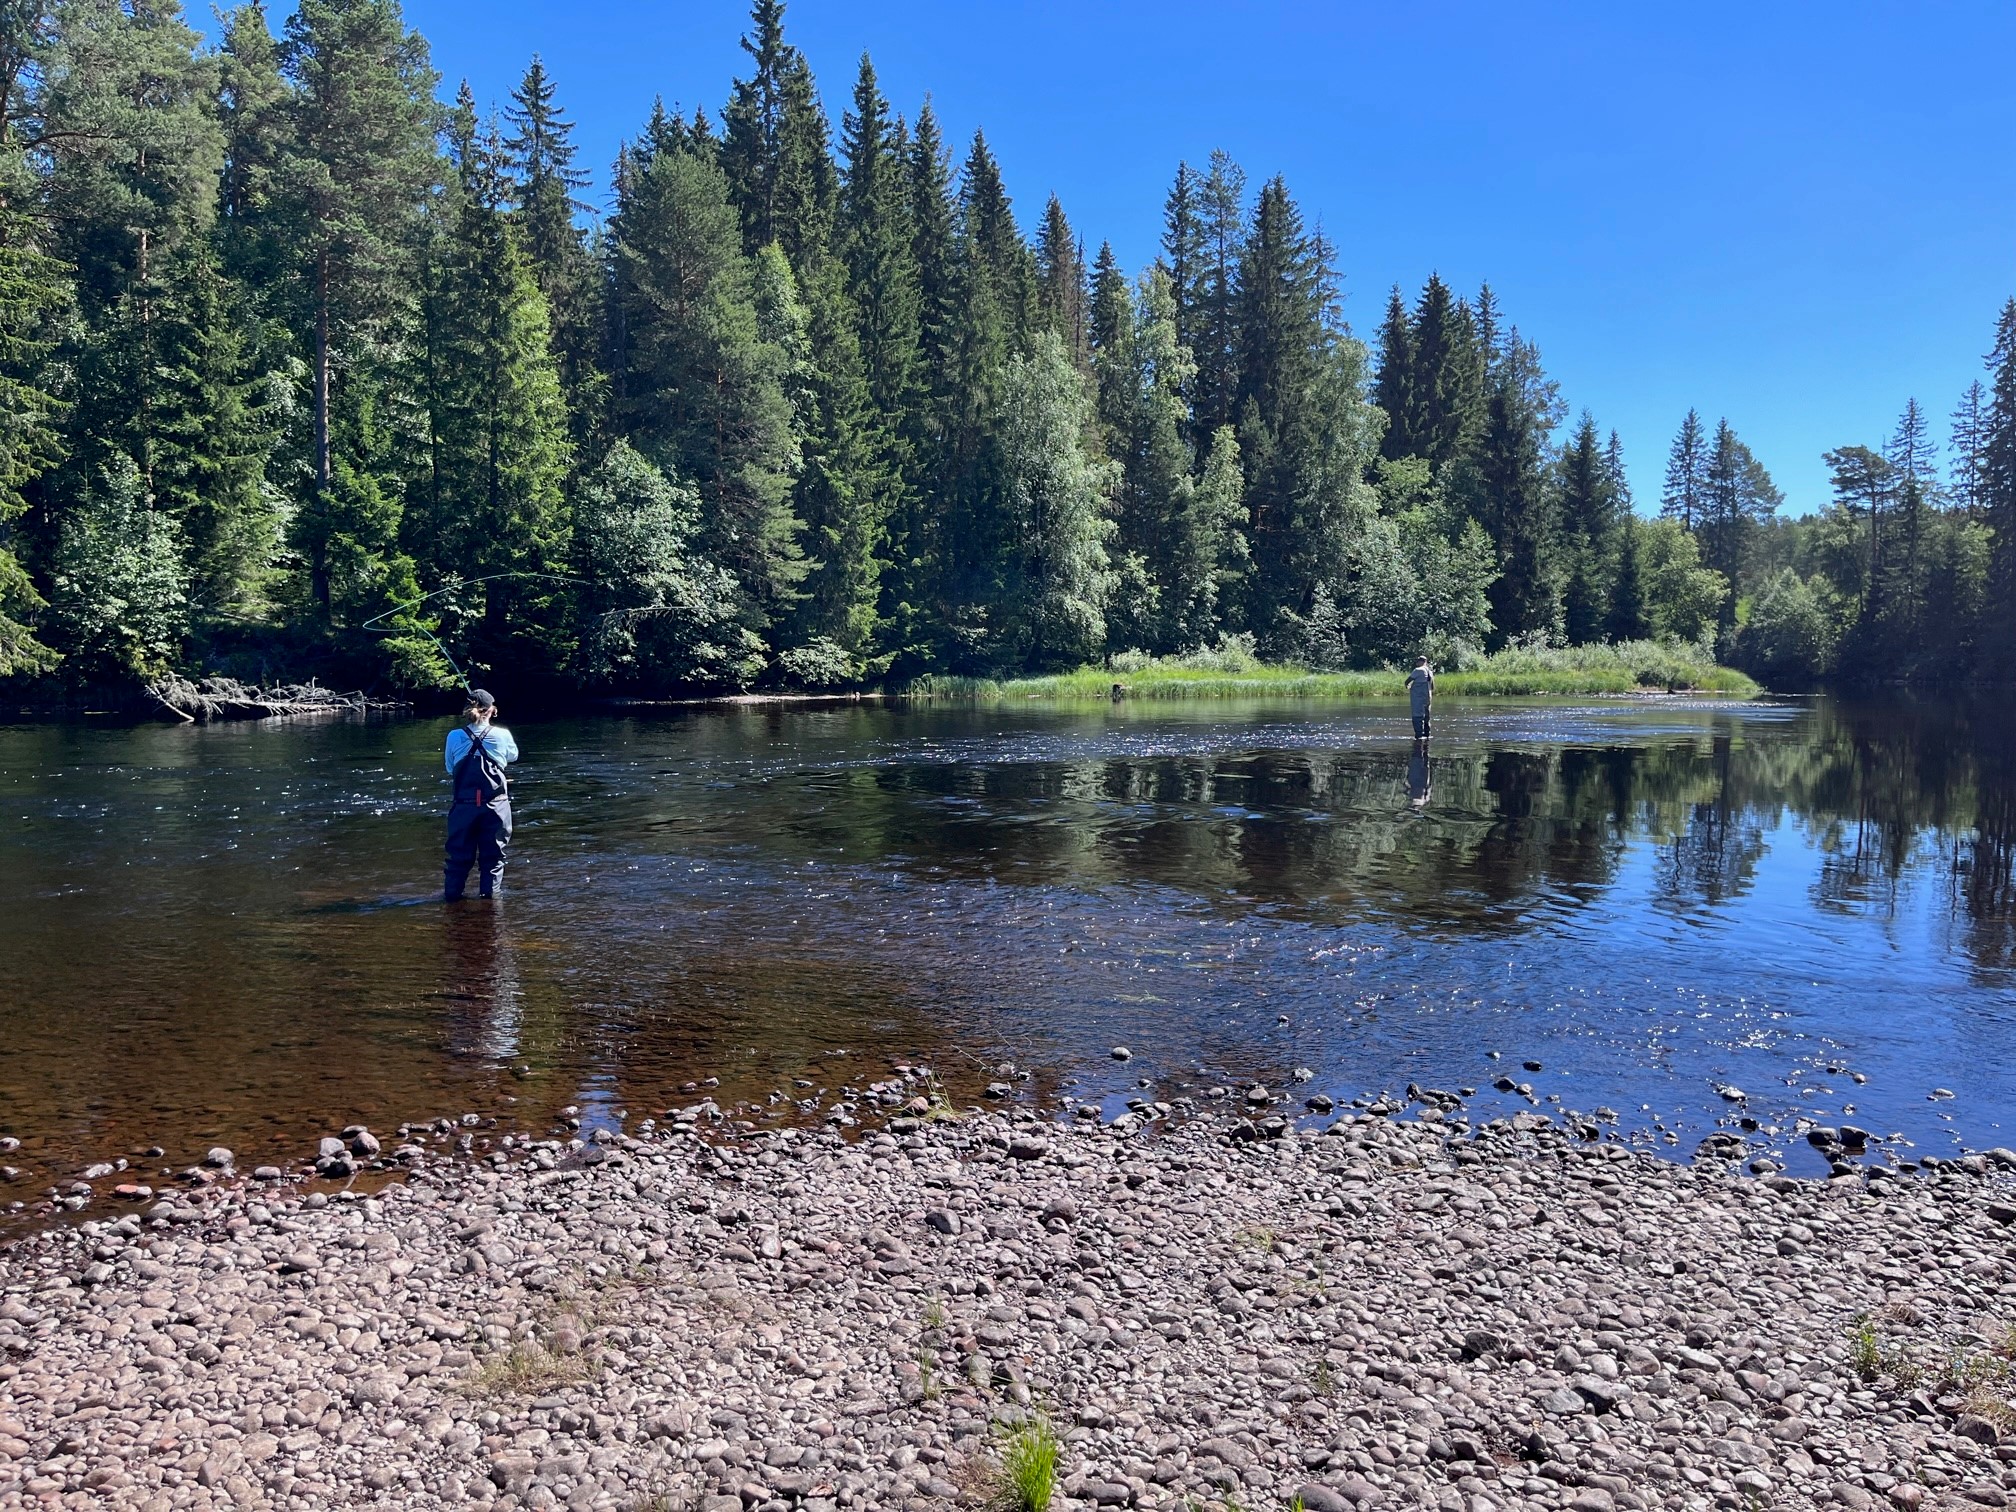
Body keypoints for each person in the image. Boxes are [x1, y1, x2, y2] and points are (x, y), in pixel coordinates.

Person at [443, 689, 518, 901]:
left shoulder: (454, 736)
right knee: (493, 859)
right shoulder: (502, 734)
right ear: (491, 710)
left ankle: (451, 904)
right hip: (495, 806)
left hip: (463, 808)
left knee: (457, 859)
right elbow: (513, 756)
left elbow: (450, 768)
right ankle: (490, 906)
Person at [1405, 656, 1434, 740]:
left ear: (1422, 661)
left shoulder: (1418, 670)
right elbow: (1432, 686)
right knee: (1426, 717)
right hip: (1428, 697)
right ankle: (1427, 736)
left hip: (1418, 698)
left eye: (1417, 661)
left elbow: (1407, 681)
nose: (1416, 663)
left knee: (1417, 716)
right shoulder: (1430, 671)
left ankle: (1419, 737)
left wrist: (1407, 686)